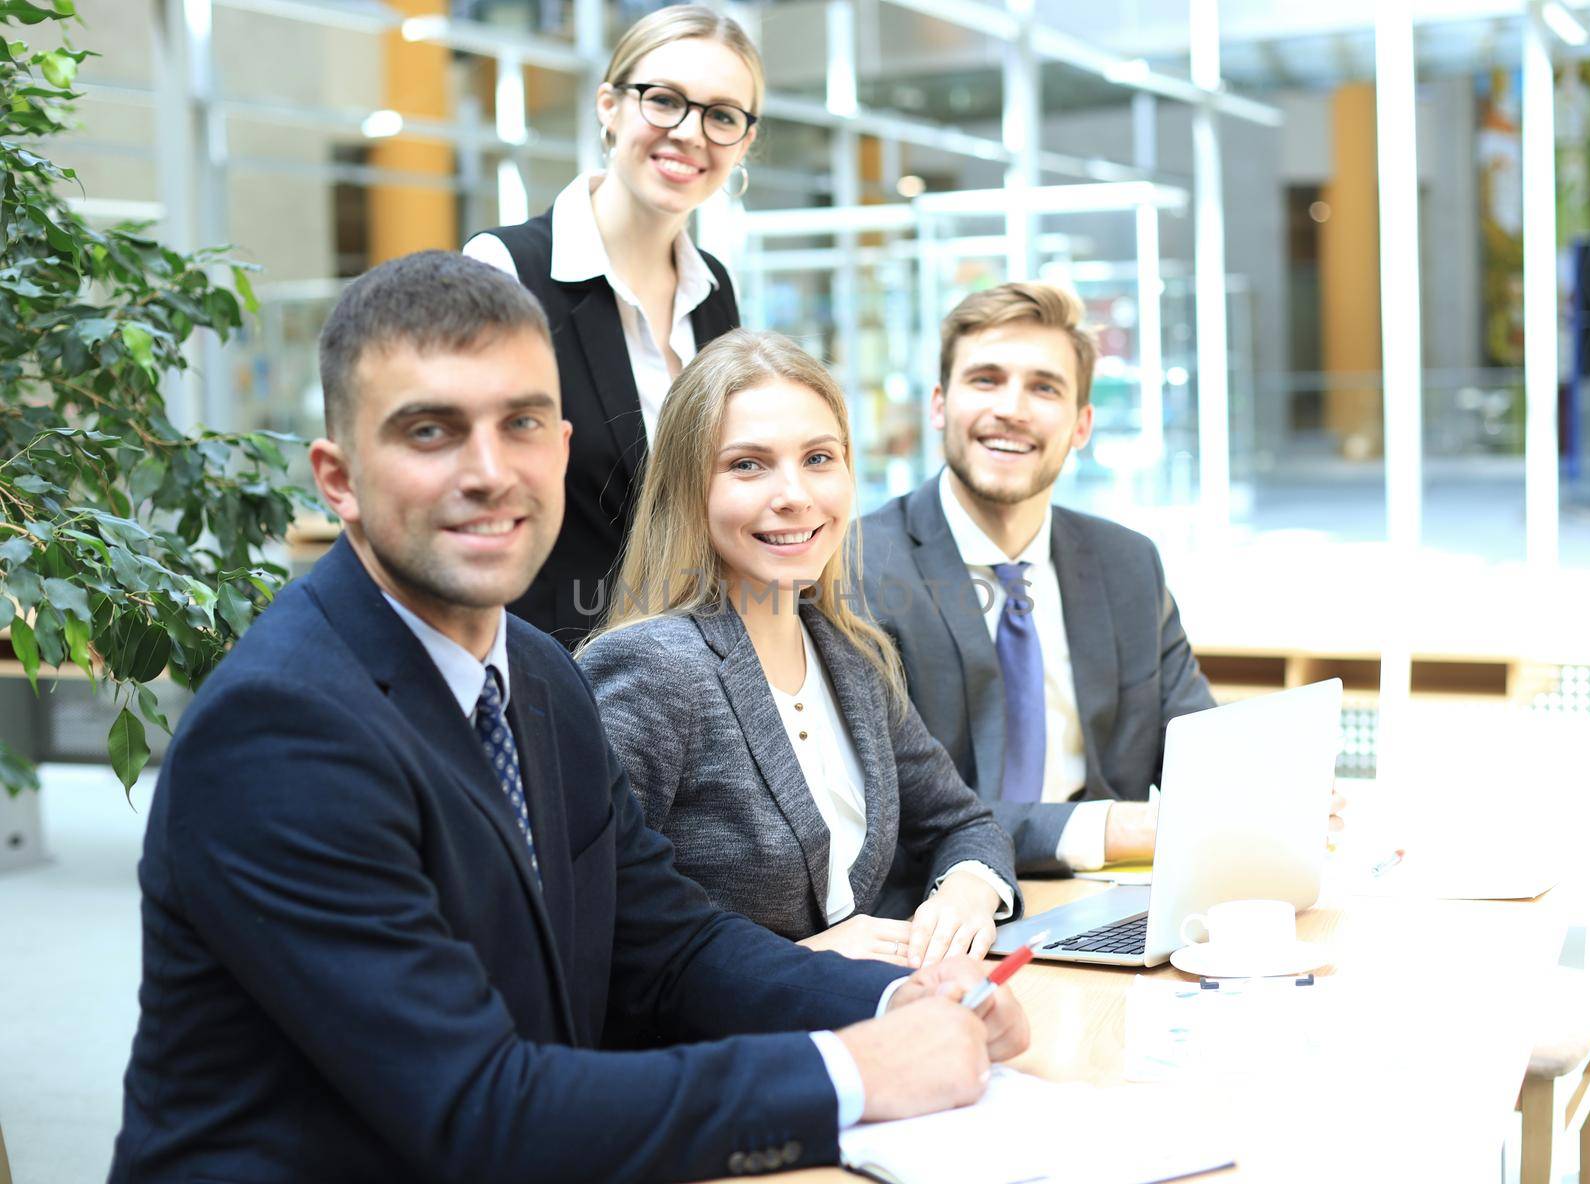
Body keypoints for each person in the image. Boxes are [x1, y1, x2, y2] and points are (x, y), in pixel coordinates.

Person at [108, 253, 1029, 1184]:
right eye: (431, 432)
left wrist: (901, 997)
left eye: (522, 426)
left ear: (562, 447)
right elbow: (479, 1110)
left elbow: (672, 947)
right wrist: (853, 1071)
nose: (489, 472)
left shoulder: (540, 678)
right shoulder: (281, 734)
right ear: (338, 479)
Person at [577, 330, 1019, 971]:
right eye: (747, 464)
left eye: (819, 458)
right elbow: (594, 924)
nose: (795, 495)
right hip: (735, 1055)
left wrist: (968, 892)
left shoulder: (852, 655)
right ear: (687, 488)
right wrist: (803, 960)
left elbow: (964, 824)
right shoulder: (653, 668)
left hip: (882, 1020)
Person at [858, 281, 1216, 878]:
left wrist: (1266, 795)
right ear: (939, 404)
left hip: (1112, 899)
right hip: (943, 911)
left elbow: (1199, 753)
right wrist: (1112, 828)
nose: (1013, 409)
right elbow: (891, 814)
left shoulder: (1127, 564)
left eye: (1044, 388)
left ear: (1081, 425)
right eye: (986, 380)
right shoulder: (859, 570)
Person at [465, 4, 758, 648]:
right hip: (548, 667)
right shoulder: (507, 270)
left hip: (693, 672)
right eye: (664, 100)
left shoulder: (714, 290)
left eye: (721, 115)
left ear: (743, 141)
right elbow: (477, 493)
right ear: (609, 106)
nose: (689, 132)